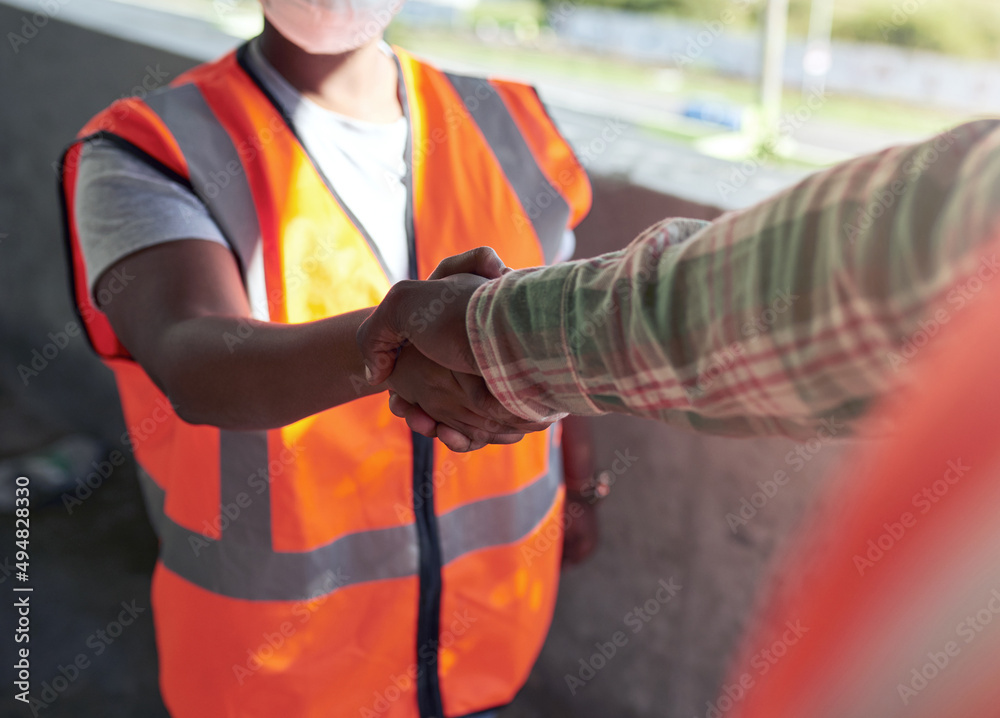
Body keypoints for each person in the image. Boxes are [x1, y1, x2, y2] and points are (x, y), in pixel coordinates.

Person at [58, 1, 600, 716]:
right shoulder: (147, 150)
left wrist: (582, 481)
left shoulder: (514, 122)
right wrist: (378, 347)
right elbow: (194, 360)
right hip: (277, 682)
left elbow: (567, 333)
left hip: (483, 659)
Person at [358, 119, 1000, 714]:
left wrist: (485, 337)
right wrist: (487, 337)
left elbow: (851, 275)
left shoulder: (507, 113)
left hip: (468, 627)